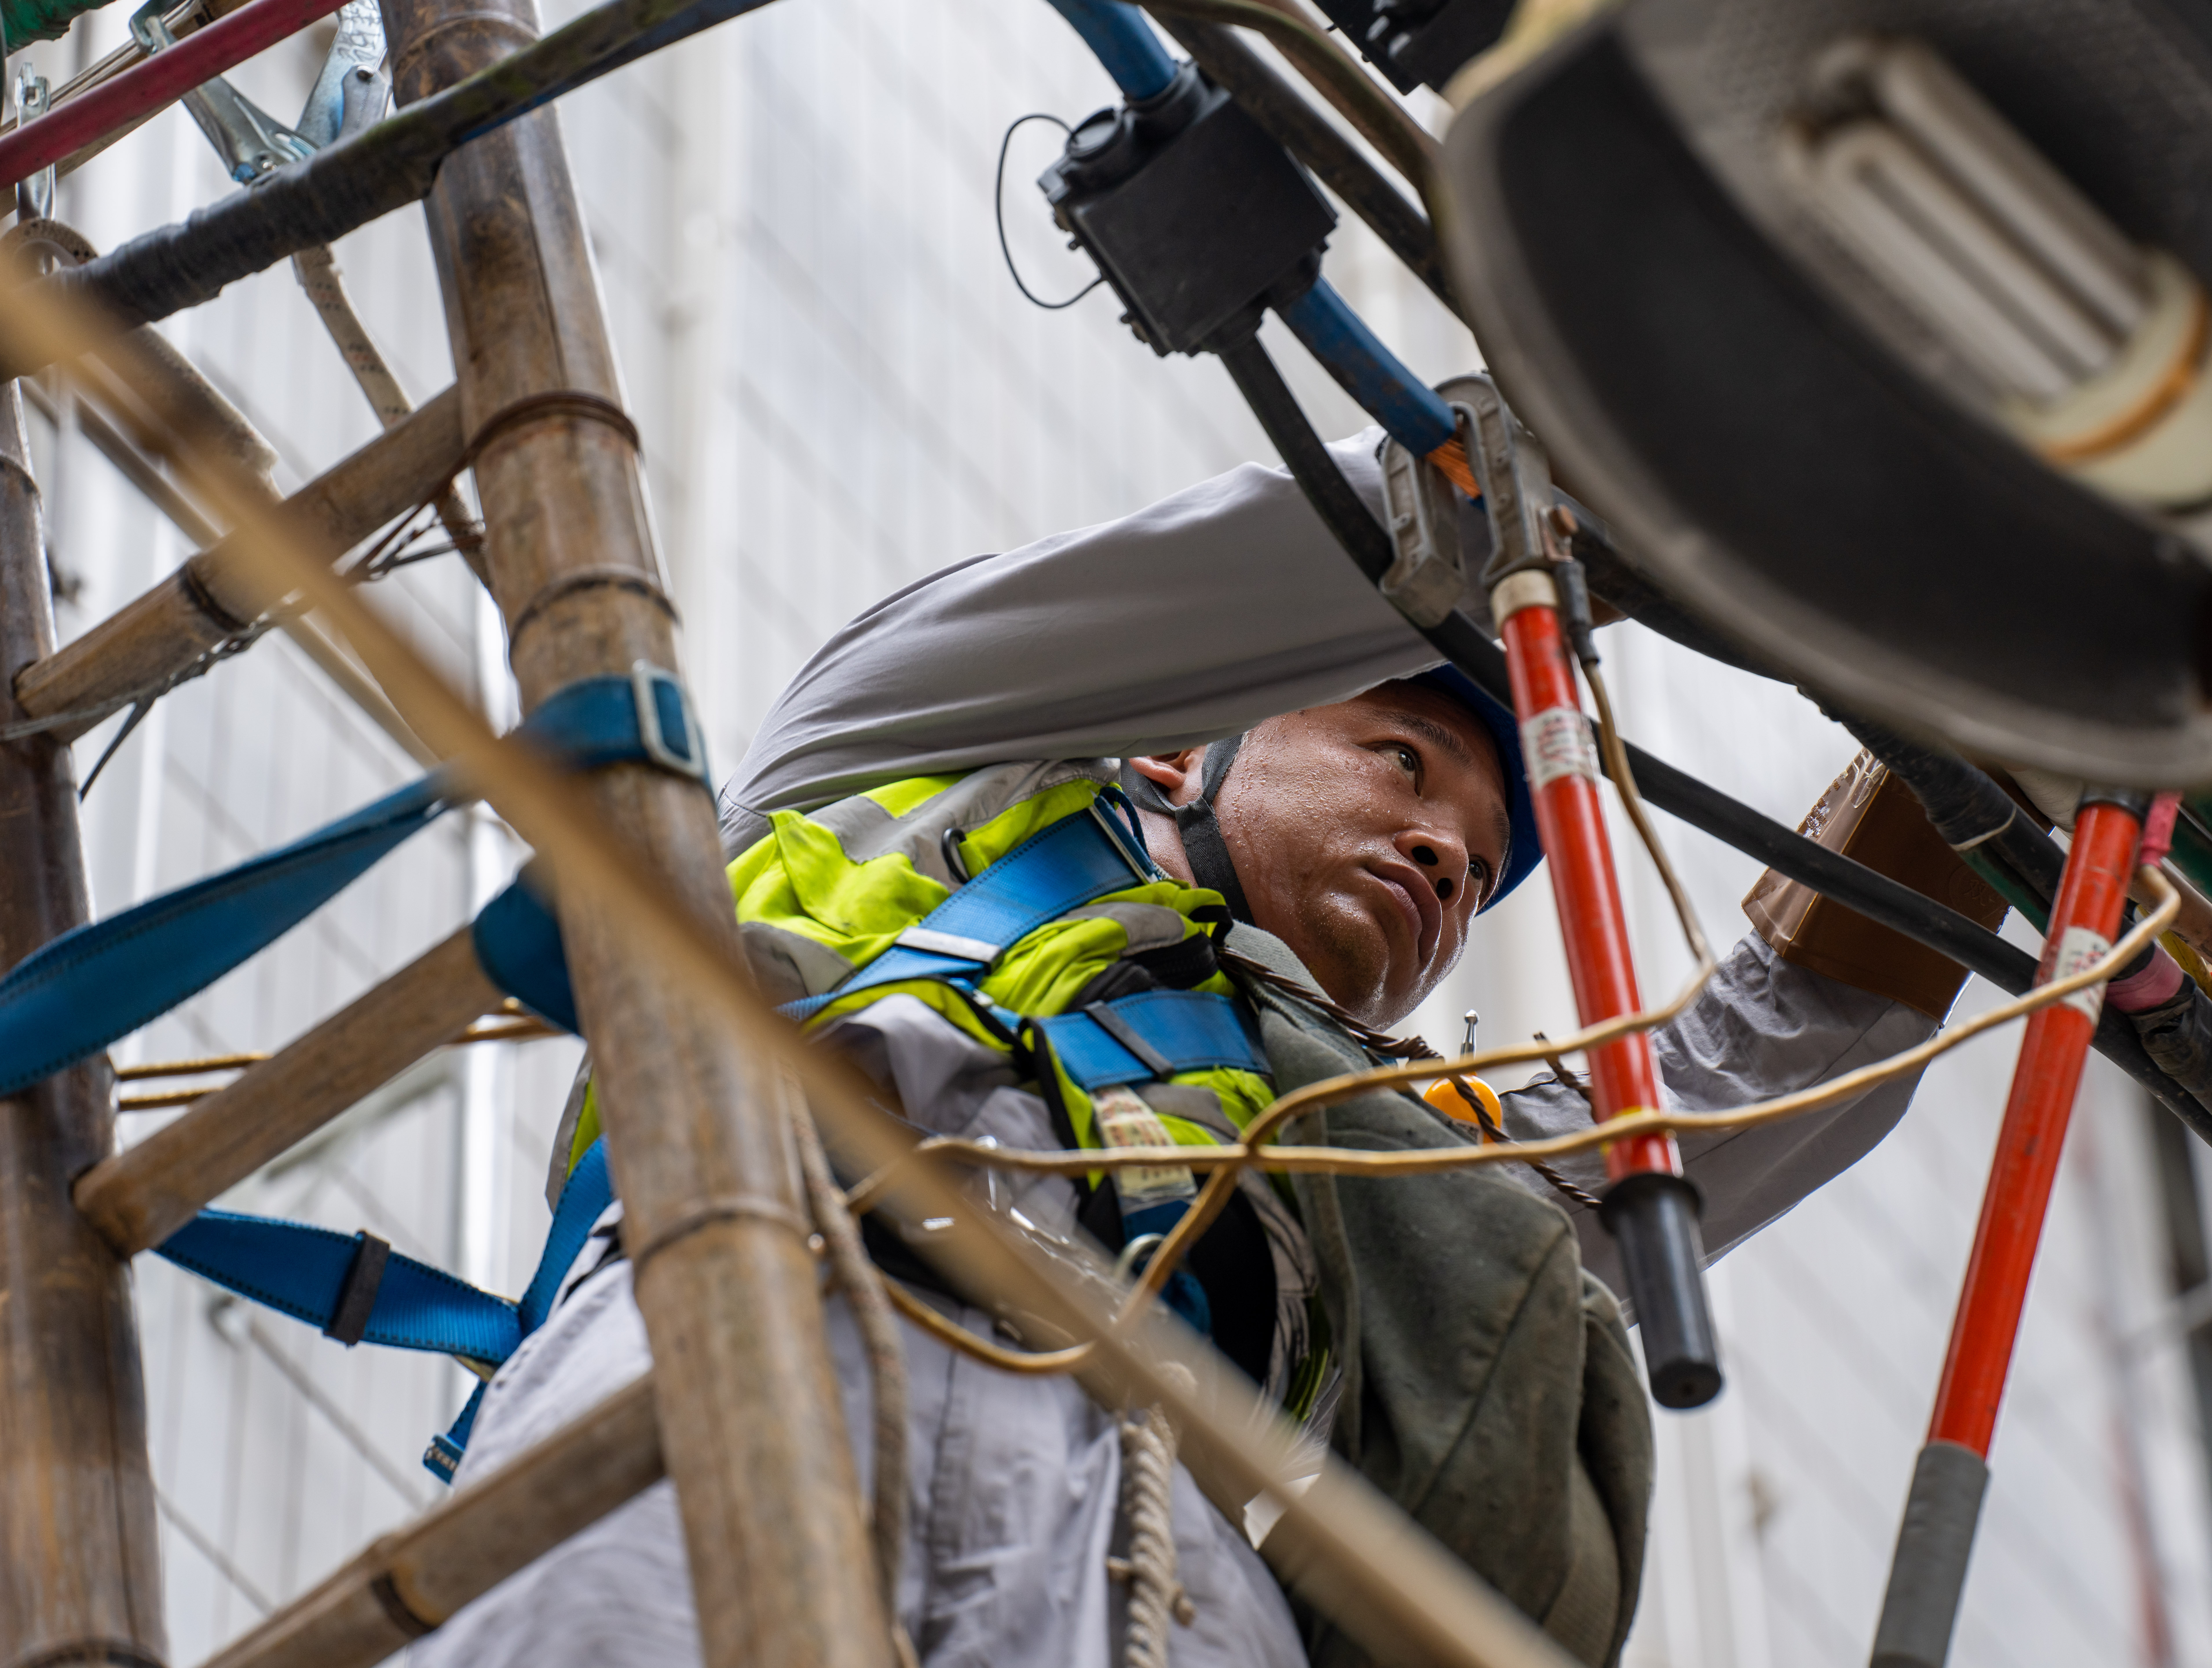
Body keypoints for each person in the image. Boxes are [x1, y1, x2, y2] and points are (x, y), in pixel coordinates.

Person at [411, 434, 1981, 1668]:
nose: (1446, 854)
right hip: (767, 1300)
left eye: (1483, 859)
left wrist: (1992, 748)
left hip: (1183, 1543)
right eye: (1400, 762)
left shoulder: (1406, 1154)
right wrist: (1681, 476)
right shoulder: (910, 761)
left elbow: (1757, 1068)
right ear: (1180, 739)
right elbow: (1319, 542)